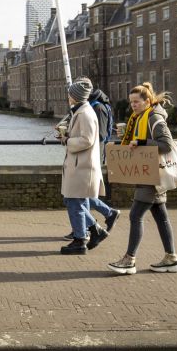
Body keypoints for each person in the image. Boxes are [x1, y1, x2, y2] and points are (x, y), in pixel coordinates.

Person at [108, 82, 177, 275]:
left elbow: (166, 145)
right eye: (131, 102)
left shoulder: (154, 117)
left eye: (137, 102)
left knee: (135, 216)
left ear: (147, 101)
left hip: (152, 175)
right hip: (148, 174)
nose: (133, 105)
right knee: (161, 217)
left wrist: (141, 141)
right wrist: (127, 136)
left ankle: (129, 260)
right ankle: (171, 258)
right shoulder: (138, 118)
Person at [59, 86, 120, 242]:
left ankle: (85, 234)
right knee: (74, 200)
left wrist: (67, 140)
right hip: (79, 163)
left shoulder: (86, 113)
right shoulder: (82, 111)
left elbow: (88, 139)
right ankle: (89, 230)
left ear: (75, 96)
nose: (68, 96)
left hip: (83, 164)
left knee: (75, 201)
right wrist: (66, 134)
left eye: (70, 93)